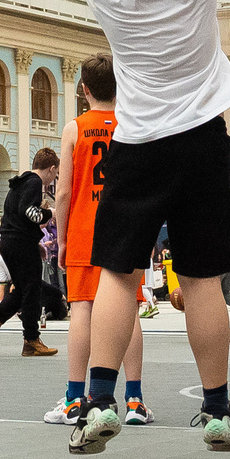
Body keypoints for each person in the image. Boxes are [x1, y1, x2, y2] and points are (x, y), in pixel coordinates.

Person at [66, 0, 230, 456]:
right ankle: (219, 411)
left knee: (117, 272)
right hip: (203, 140)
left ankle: (100, 401)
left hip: (137, 144)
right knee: (201, 279)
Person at [46, 55, 154, 426]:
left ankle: (75, 398)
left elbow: (62, 194)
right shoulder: (132, 123)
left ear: (84, 89)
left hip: (84, 227)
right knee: (129, 309)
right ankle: (136, 400)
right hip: (126, 225)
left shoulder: (75, 128)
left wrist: (60, 239)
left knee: (83, 309)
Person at [0, 147, 60, 358]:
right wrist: (51, 213)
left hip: (9, 241)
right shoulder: (34, 183)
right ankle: (31, 340)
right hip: (20, 243)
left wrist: (37, 242)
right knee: (32, 290)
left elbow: (18, 216)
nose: (53, 179)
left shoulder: (20, 184)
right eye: (55, 173)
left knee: (23, 290)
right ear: (52, 169)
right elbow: (30, 212)